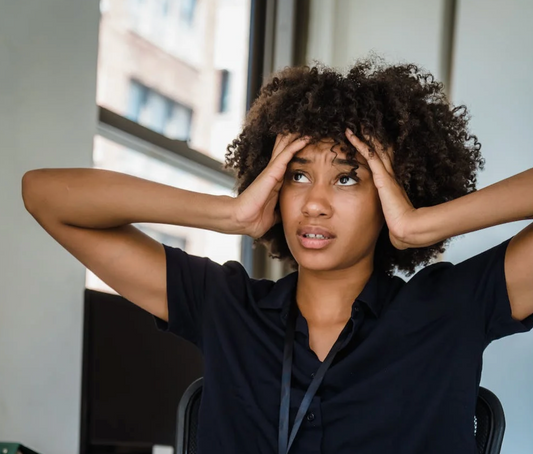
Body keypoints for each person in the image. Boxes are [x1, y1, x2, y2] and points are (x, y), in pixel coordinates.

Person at [22, 57, 533, 454]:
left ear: (395, 191)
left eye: (348, 177)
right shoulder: (224, 305)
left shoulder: (450, 308)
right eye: (298, 174)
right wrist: (230, 214)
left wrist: (424, 222)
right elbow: (44, 195)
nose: (314, 202)